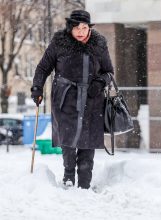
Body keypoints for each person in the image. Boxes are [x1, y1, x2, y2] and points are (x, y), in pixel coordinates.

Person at [31, 10, 114, 189]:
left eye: (84, 27)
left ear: (89, 28)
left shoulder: (99, 44)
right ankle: (69, 176)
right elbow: (43, 67)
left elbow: (108, 72)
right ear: (70, 28)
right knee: (68, 140)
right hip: (65, 98)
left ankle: (85, 183)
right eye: (76, 27)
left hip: (92, 99)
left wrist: (100, 83)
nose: (80, 31)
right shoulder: (59, 43)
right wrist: (37, 87)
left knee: (88, 142)